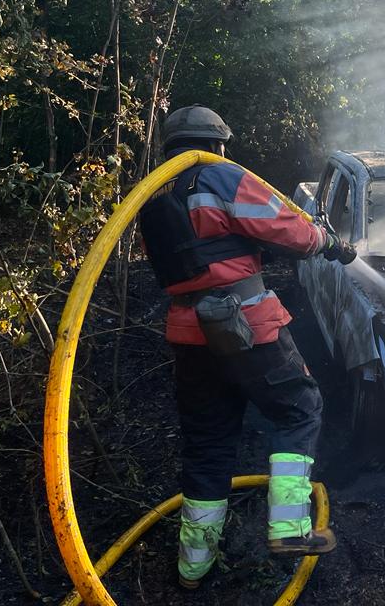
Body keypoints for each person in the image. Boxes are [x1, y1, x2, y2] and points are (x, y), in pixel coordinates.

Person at [137, 105, 356, 589]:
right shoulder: (224, 178)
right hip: (247, 326)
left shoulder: (153, 196)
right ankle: (290, 528)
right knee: (299, 409)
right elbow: (290, 230)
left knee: (208, 444)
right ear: (217, 143)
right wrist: (326, 240)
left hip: (190, 335)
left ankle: (193, 565)